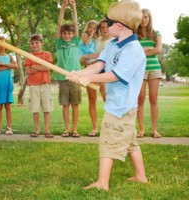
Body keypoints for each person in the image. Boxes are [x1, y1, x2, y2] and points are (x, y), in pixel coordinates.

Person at [68, 0, 148, 190]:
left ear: (119, 26)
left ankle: (102, 183)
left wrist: (91, 79)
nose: (105, 26)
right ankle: (141, 176)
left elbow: (116, 75)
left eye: (108, 22)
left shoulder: (134, 51)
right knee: (130, 142)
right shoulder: (113, 44)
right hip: (118, 104)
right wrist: (81, 74)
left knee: (108, 142)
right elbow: (99, 64)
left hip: (121, 107)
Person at [81, 19, 113, 137]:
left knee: (107, 100)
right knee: (92, 99)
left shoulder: (113, 41)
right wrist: (84, 59)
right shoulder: (96, 41)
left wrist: (87, 56)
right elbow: (86, 49)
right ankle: (95, 128)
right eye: (102, 27)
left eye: (107, 27)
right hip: (93, 70)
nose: (105, 29)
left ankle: (110, 127)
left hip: (106, 72)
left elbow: (102, 55)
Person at [56, 0, 81, 138]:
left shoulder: (75, 42)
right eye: (64, 33)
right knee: (65, 105)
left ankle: (75, 129)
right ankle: (67, 129)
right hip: (62, 78)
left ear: (72, 34)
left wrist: (74, 7)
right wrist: (63, 8)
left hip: (75, 76)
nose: (67, 35)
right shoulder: (59, 43)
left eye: (69, 33)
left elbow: (75, 24)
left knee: (75, 104)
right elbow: (59, 25)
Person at [136, 8, 163, 138]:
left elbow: (158, 50)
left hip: (154, 68)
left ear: (149, 18)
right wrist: (147, 49)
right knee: (140, 99)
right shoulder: (135, 35)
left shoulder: (156, 33)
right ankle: (141, 129)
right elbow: (133, 52)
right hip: (140, 69)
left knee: (153, 99)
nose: (143, 19)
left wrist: (143, 50)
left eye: (146, 17)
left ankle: (154, 130)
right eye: (141, 17)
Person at [24, 34, 54, 138]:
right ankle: (37, 130)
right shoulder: (29, 56)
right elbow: (28, 71)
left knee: (46, 108)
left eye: (37, 42)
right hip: (33, 85)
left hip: (45, 84)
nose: (35, 45)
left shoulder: (47, 54)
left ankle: (47, 130)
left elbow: (48, 68)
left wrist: (35, 66)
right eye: (32, 43)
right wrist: (42, 67)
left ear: (42, 43)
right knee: (35, 109)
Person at [0, 36, 18, 135]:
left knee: (8, 106)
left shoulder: (9, 56)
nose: (1, 46)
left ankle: (9, 128)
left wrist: (5, 65)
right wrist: (8, 67)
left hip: (7, 83)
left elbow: (16, 66)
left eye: (3, 44)